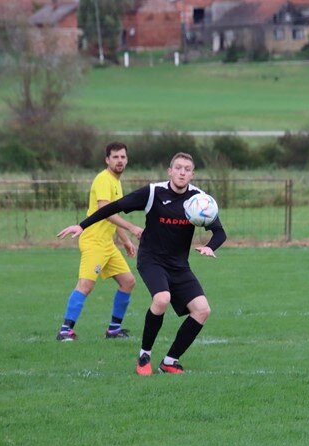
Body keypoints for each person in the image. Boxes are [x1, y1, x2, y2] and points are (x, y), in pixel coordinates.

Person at [57, 152, 227, 376]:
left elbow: (220, 232)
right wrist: (82, 225)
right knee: (162, 298)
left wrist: (210, 247)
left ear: (192, 174)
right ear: (170, 171)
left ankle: (169, 361)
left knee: (202, 310)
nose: (182, 172)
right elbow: (113, 207)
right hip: (151, 259)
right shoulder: (153, 192)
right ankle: (144, 355)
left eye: (187, 169)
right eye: (178, 168)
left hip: (179, 265)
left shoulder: (199, 200)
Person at [56, 142, 143, 341]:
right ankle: (65, 331)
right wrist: (132, 227)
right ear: (107, 160)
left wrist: (126, 241)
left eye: (122, 157)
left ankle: (113, 330)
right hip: (94, 241)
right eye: (115, 157)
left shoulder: (116, 181)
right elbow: (105, 211)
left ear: (127, 160)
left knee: (128, 282)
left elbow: (114, 214)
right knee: (85, 285)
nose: (119, 160)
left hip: (107, 244)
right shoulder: (103, 179)